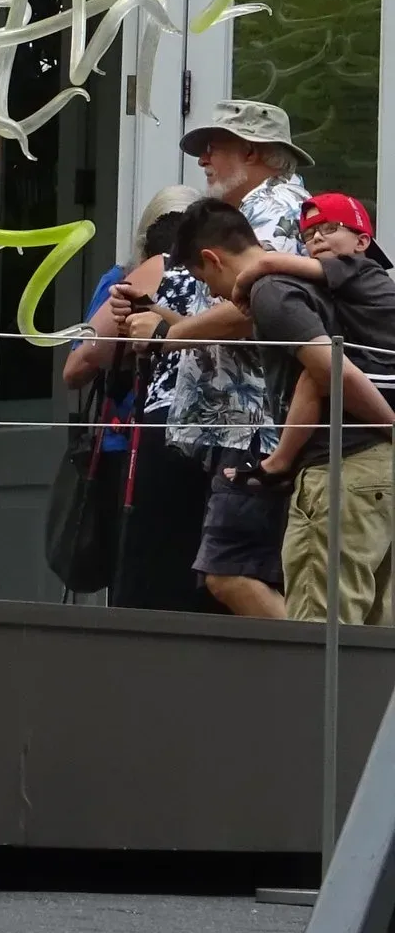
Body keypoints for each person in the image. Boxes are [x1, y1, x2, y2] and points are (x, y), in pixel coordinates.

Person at [117, 100, 308, 616]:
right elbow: (227, 324)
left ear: (252, 151)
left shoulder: (277, 206)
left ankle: (315, 659)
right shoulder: (249, 214)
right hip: (237, 426)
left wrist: (166, 334)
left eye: (213, 146)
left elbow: (259, 304)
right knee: (229, 576)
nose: (202, 160)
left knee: (232, 574)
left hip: (256, 426)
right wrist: (154, 315)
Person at [166, 196, 395, 622]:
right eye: (310, 235)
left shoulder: (271, 292)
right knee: (376, 629)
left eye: (204, 281)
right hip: (379, 467)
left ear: (212, 259)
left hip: (342, 467)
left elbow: (329, 372)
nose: (213, 294)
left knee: (320, 629)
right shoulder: (326, 283)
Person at [63, 186, 201, 608]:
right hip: (136, 441)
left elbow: (78, 366)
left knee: (154, 563)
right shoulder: (125, 280)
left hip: (156, 437)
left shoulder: (143, 276)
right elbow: (78, 367)